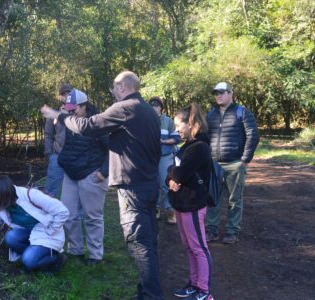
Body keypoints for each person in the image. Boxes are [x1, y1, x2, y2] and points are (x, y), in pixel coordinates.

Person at [41, 71, 163, 299]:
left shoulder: (125, 108)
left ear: (122, 87)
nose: (113, 93)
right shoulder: (147, 111)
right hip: (146, 183)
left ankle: (150, 295)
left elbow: (88, 127)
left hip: (133, 186)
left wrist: (60, 116)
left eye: (114, 88)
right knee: (146, 241)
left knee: (139, 243)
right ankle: (146, 291)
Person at [57, 89, 109, 265]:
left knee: (92, 217)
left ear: (84, 106)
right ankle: (75, 250)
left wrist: (104, 171)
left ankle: (95, 255)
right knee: (68, 214)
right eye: (68, 109)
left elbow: (113, 149)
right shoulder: (70, 119)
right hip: (70, 174)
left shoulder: (98, 123)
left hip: (91, 174)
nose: (70, 112)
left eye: (74, 109)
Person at [167, 104, 214, 300]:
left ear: (191, 124)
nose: (177, 129)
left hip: (193, 205)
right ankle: (194, 284)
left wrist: (172, 174)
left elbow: (179, 172)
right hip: (182, 204)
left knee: (199, 248)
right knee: (189, 247)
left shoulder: (199, 147)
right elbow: (173, 174)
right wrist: (170, 178)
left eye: (180, 125)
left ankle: (204, 290)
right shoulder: (187, 146)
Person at [205, 82, 260, 244]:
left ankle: (232, 231)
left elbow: (253, 135)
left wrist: (244, 159)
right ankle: (211, 230)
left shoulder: (241, 112)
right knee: (212, 198)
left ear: (231, 93)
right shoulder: (211, 114)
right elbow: (205, 136)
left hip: (235, 163)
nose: (218, 95)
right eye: (216, 93)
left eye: (222, 92)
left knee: (234, 200)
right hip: (214, 164)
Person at [150, 97, 181, 225]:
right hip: (150, 158)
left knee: (165, 183)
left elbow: (176, 138)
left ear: (161, 108)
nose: (154, 107)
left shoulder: (168, 121)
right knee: (153, 184)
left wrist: (163, 141)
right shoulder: (146, 121)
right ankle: (156, 209)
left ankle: (170, 210)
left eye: (156, 105)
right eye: (151, 105)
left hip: (165, 156)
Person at [43, 83, 71, 197]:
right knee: (50, 190)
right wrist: (49, 153)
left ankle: (75, 215)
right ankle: (44, 214)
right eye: (64, 94)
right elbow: (48, 135)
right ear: (60, 96)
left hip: (75, 157)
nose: (67, 96)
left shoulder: (79, 112)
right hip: (57, 156)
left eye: (69, 93)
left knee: (74, 191)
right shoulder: (54, 113)